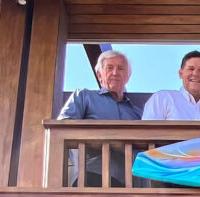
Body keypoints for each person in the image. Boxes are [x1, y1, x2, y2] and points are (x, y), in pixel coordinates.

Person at [58, 50, 142, 187]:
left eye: (121, 68)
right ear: (99, 74)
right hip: (92, 175)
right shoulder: (83, 96)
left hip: (131, 184)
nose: (115, 72)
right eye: (109, 68)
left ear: (128, 77)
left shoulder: (137, 113)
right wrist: (111, 140)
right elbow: (63, 128)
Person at [142, 50, 200, 121]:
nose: (196, 74)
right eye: (191, 69)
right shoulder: (162, 98)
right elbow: (146, 135)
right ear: (181, 73)